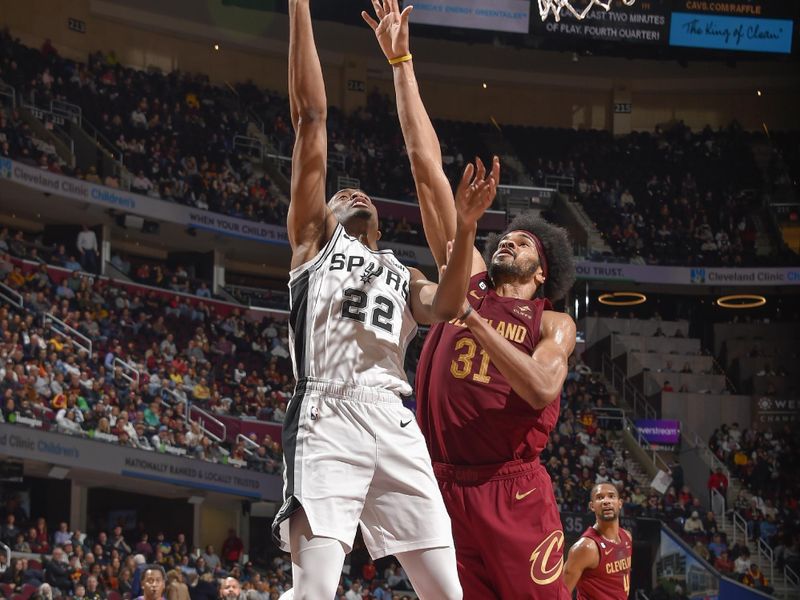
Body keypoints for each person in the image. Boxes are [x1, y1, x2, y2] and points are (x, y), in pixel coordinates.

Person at [271, 2, 497, 599]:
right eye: (341, 191)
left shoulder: (401, 270)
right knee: (316, 590)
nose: (352, 191)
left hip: (395, 419)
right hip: (327, 412)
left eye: (360, 190)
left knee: (449, 593)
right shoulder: (313, 242)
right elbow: (311, 118)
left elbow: (448, 306)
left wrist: (468, 227)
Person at [364, 2, 576, 598]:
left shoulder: (551, 321)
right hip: (444, 485)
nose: (509, 239)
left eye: (525, 241)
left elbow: (539, 388)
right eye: (506, 234)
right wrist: (401, 61)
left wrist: (473, 322)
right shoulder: (471, 280)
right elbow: (424, 162)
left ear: (543, 272)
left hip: (513, 492)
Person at [564, 483, 633, 598]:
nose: (606, 501)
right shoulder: (586, 547)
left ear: (620, 503)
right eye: (600, 497)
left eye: (611, 496)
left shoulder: (627, 537)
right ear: (592, 506)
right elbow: (560, 593)